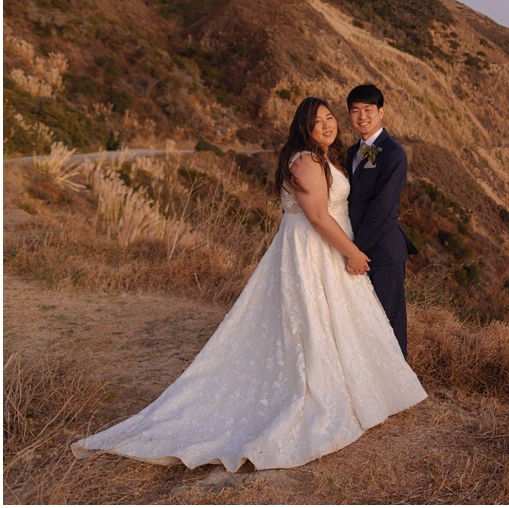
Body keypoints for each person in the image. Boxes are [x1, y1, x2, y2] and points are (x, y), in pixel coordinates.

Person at [71, 97, 426, 472]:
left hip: (329, 248)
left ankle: (361, 387)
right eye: (317, 120)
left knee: (336, 320)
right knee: (311, 322)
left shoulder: (326, 157)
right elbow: (319, 217)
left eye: (329, 118)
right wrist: (353, 254)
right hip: (313, 250)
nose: (327, 125)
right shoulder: (305, 160)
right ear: (303, 126)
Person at [345, 84, 417, 357]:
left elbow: (382, 206)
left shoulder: (394, 154)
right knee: (364, 320)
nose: (362, 116)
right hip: (357, 248)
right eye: (355, 111)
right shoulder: (352, 151)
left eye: (368, 110)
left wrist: (356, 250)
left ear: (381, 112)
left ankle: (399, 385)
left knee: (389, 321)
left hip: (383, 250)